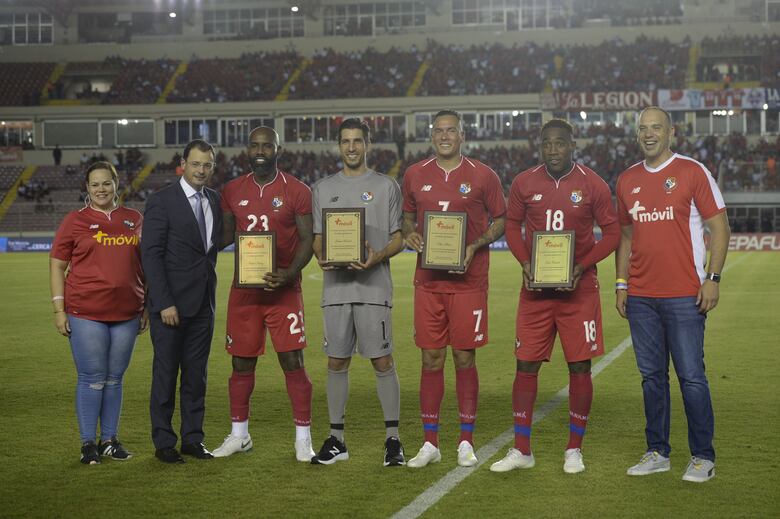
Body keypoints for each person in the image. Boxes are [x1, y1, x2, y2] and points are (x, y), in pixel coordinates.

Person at [490, 119, 619, 474]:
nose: (553, 150)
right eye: (546, 143)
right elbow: (512, 225)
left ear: (572, 144)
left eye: (560, 143)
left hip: (580, 291)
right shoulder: (524, 182)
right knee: (525, 364)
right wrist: (525, 262)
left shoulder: (592, 183)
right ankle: (522, 450)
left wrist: (582, 265)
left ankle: (574, 449)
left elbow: (611, 233)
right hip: (536, 292)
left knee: (580, 366)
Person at [615, 107, 730, 483]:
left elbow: (720, 227)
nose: (649, 134)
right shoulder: (626, 179)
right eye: (643, 129)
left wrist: (712, 278)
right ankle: (657, 452)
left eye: (656, 128)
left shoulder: (693, 171)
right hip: (641, 297)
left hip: (684, 296)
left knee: (691, 377)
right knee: (651, 378)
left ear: (670, 132)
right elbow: (626, 236)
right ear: (637, 134)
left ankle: (702, 456)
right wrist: (621, 283)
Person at [401, 110, 506, 468]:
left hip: (469, 283)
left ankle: (465, 441)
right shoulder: (414, 174)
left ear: (463, 135)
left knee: (464, 357)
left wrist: (475, 244)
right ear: (431, 136)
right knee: (430, 358)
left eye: (451, 131)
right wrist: (409, 234)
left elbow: (502, 219)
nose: (444, 136)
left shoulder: (483, 175)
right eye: (438, 131)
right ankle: (430, 442)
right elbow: (407, 217)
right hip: (428, 283)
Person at [212, 126, 315, 462]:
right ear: (247, 149)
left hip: (284, 290)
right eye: (254, 146)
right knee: (241, 363)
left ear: (277, 150)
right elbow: (224, 237)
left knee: (293, 361)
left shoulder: (297, 190)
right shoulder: (231, 190)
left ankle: (303, 439)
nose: (260, 151)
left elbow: (307, 239)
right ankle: (239, 435)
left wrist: (289, 273)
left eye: (266, 146)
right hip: (245, 292)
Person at [310, 119, 405, 466]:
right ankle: (337, 440)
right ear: (339, 146)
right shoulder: (322, 189)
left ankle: (393, 440)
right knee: (336, 361)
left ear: (367, 144)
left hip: (374, 288)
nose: (351, 147)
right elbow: (318, 238)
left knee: (382, 360)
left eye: (357, 141)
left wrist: (377, 256)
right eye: (345, 141)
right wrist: (322, 255)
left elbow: (398, 238)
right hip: (336, 289)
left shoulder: (386, 186)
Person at [49, 161, 147, 465]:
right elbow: (57, 265)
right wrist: (59, 309)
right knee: (92, 377)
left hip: (128, 312)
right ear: (87, 188)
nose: (101, 189)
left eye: (106, 183)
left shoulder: (135, 219)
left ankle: (110, 441)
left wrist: (147, 305)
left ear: (116, 184)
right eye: (95, 184)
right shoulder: (74, 220)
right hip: (85, 311)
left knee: (115, 379)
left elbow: (147, 265)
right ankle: (88, 443)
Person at [141, 139, 223, 464]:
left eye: (207, 165)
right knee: (165, 374)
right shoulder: (162, 201)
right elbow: (151, 255)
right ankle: (164, 442)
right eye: (196, 164)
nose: (201, 170)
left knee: (196, 377)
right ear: (183, 164)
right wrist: (164, 302)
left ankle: (193, 439)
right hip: (170, 306)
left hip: (203, 305)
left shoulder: (215, 200)